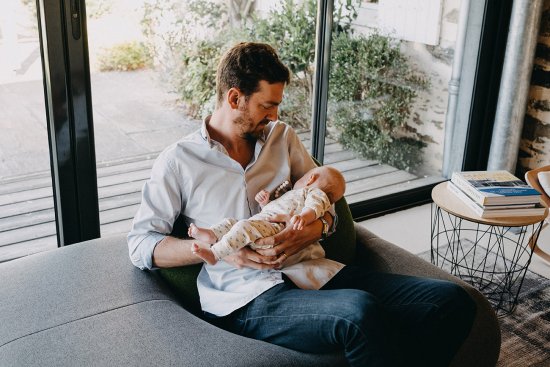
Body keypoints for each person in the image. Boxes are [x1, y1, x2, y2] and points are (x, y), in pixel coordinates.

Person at [128, 42, 476, 366]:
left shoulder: (283, 138)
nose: (276, 113)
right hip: (247, 296)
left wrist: (315, 228)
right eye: (267, 105)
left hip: (313, 271)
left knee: (452, 301)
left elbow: (326, 200)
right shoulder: (180, 161)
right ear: (235, 98)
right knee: (358, 313)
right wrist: (216, 248)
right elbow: (141, 244)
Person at [189, 166, 346, 290]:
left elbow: (314, 207)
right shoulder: (295, 195)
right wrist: (265, 203)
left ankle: (214, 253)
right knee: (232, 223)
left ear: (311, 178)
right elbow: (275, 210)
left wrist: (303, 218)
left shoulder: (314, 192)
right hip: (264, 223)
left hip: (274, 230)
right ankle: (212, 234)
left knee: (242, 227)